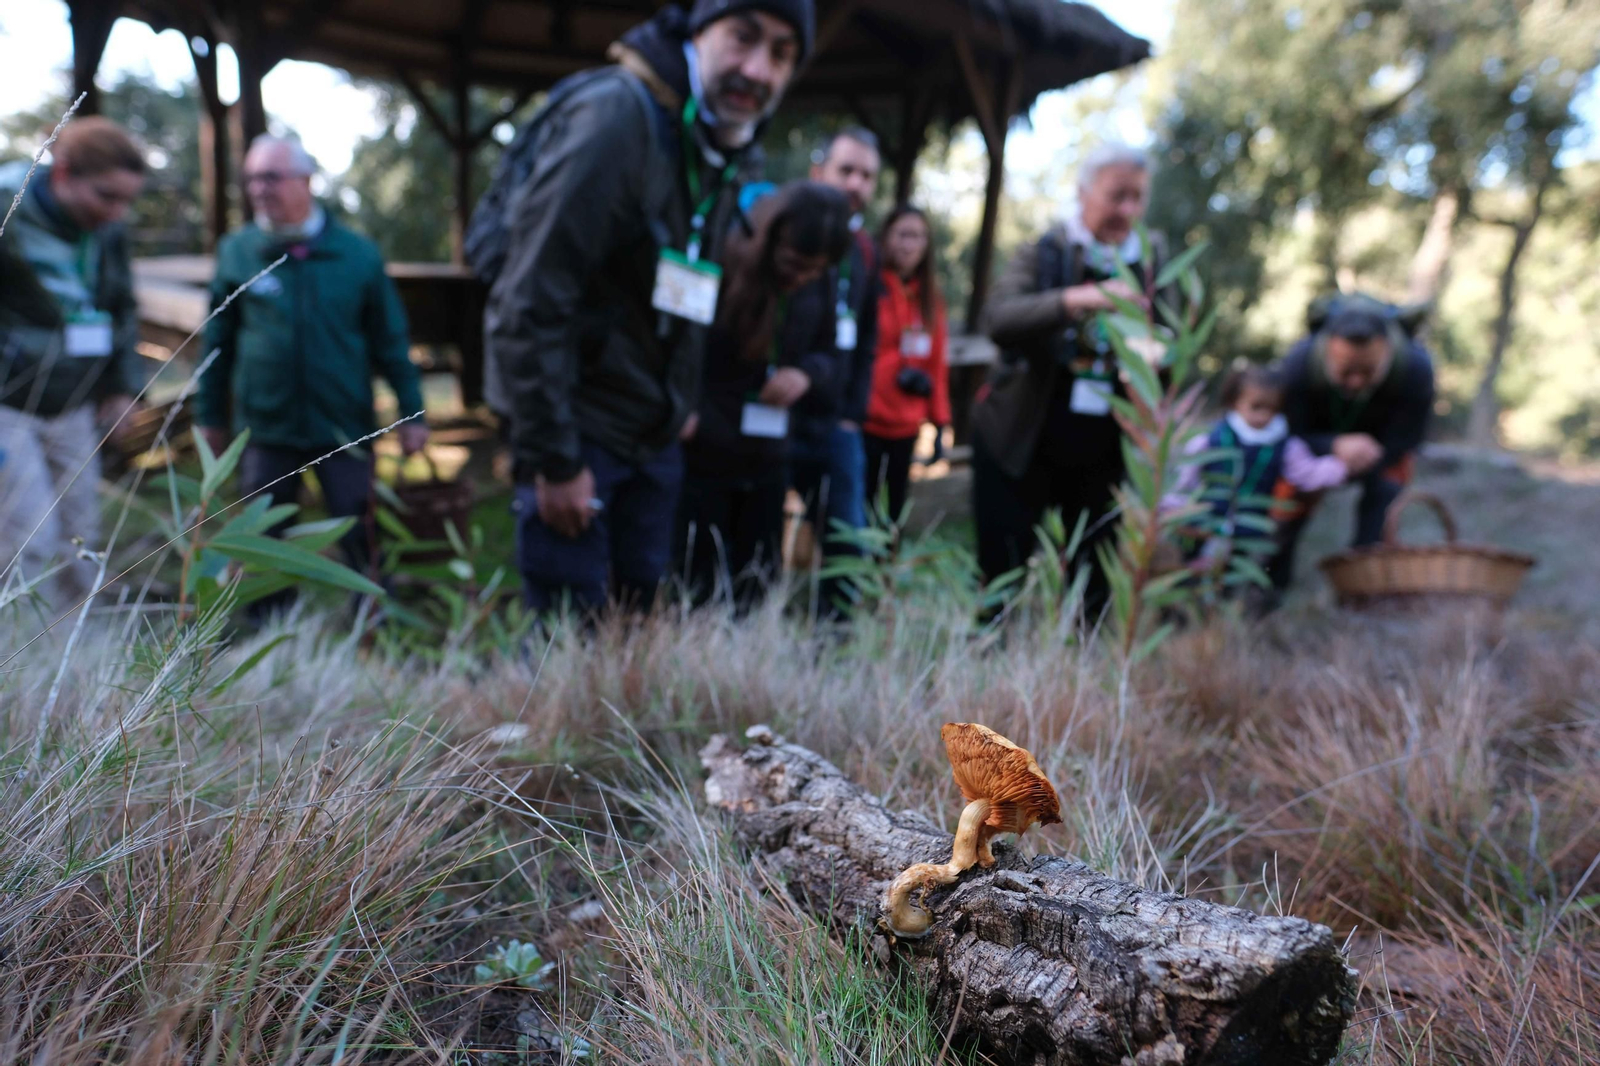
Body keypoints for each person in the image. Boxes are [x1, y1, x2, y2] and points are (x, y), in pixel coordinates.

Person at [487, 0, 815, 617]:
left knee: (637, 632)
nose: (758, 69)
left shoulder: (720, 141)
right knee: (571, 645)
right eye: (743, 37)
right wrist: (554, 460)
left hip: (653, 436)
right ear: (697, 29)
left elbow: (690, 287)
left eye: (781, 53)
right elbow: (529, 299)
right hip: (581, 434)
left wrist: (679, 402)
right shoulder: (617, 118)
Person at [197, 134, 428, 602]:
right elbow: (216, 342)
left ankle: (372, 614)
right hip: (266, 427)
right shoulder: (237, 252)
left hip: (343, 427)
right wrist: (209, 418)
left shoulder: (357, 254)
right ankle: (267, 620)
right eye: (252, 179)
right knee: (261, 534)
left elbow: (390, 340)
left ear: (305, 181)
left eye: (271, 177)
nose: (259, 189)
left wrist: (413, 414)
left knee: (357, 522)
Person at [972, 143, 1173, 613]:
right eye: (1116, 195)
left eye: (1137, 198)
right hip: (1022, 437)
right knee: (1003, 566)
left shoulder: (1152, 261)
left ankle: (1080, 672)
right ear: (1084, 193)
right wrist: (1080, 299)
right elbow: (999, 318)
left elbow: (1172, 339)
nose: (1127, 210)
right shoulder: (1046, 251)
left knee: (1095, 570)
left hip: (1103, 443)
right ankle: (991, 660)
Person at [676, 182, 851, 610]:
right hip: (706, 450)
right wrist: (685, 406)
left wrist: (805, 375)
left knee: (758, 577)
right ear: (771, 241)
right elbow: (680, 345)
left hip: (770, 455)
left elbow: (829, 352)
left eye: (814, 270)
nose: (802, 277)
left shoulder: (820, 282)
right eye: (794, 264)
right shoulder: (721, 256)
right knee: (698, 582)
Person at [0, 117, 146, 607]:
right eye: (107, 196)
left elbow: (121, 307)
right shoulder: (8, 207)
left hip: (76, 401)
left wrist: (124, 386)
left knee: (81, 534)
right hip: (10, 402)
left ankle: (71, 655)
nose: (117, 212)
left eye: (127, 199)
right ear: (63, 174)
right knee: (26, 532)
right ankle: (15, 654)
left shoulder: (107, 231)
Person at [1272, 294, 1436, 587]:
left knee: (1389, 487)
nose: (1356, 381)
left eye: (1368, 371)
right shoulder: (1299, 365)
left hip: (1382, 453)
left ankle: (1366, 584)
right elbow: (1286, 433)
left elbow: (1411, 438)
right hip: (1313, 450)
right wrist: (1333, 446)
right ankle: (1271, 586)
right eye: (1346, 371)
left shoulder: (1415, 369)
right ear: (1328, 351)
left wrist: (1371, 454)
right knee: (1284, 497)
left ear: (1386, 353)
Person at [791, 129, 881, 564]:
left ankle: (838, 629)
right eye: (846, 170)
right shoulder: (779, 234)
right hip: (773, 414)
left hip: (834, 422)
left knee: (848, 541)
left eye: (867, 175)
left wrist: (852, 416)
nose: (856, 184)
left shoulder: (865, 250)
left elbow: (866, 338)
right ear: (818, 172)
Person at [1171, 365, 1348, 567]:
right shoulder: (1211, 440)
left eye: (1272, 409)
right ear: (1235, 402)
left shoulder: (1285, 445)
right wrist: (1177, 506)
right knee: (1189, 570)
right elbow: (1186, 479)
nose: (1264, 416)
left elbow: (1306, 473)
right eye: (1256, 407)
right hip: (1204, 523)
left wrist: (1340, 467)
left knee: (1232, 577)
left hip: (1248, 528)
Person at [862, 204, 950, 525]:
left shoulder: (929, 298)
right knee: (862, 509)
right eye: (903, 234)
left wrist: (940, 424)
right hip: (866, 422)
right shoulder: (869, 285)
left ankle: (886, 572)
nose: (910, 244)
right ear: (886, 237)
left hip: (906, 426)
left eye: (918, 237)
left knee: (893, 513)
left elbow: (937, 364)